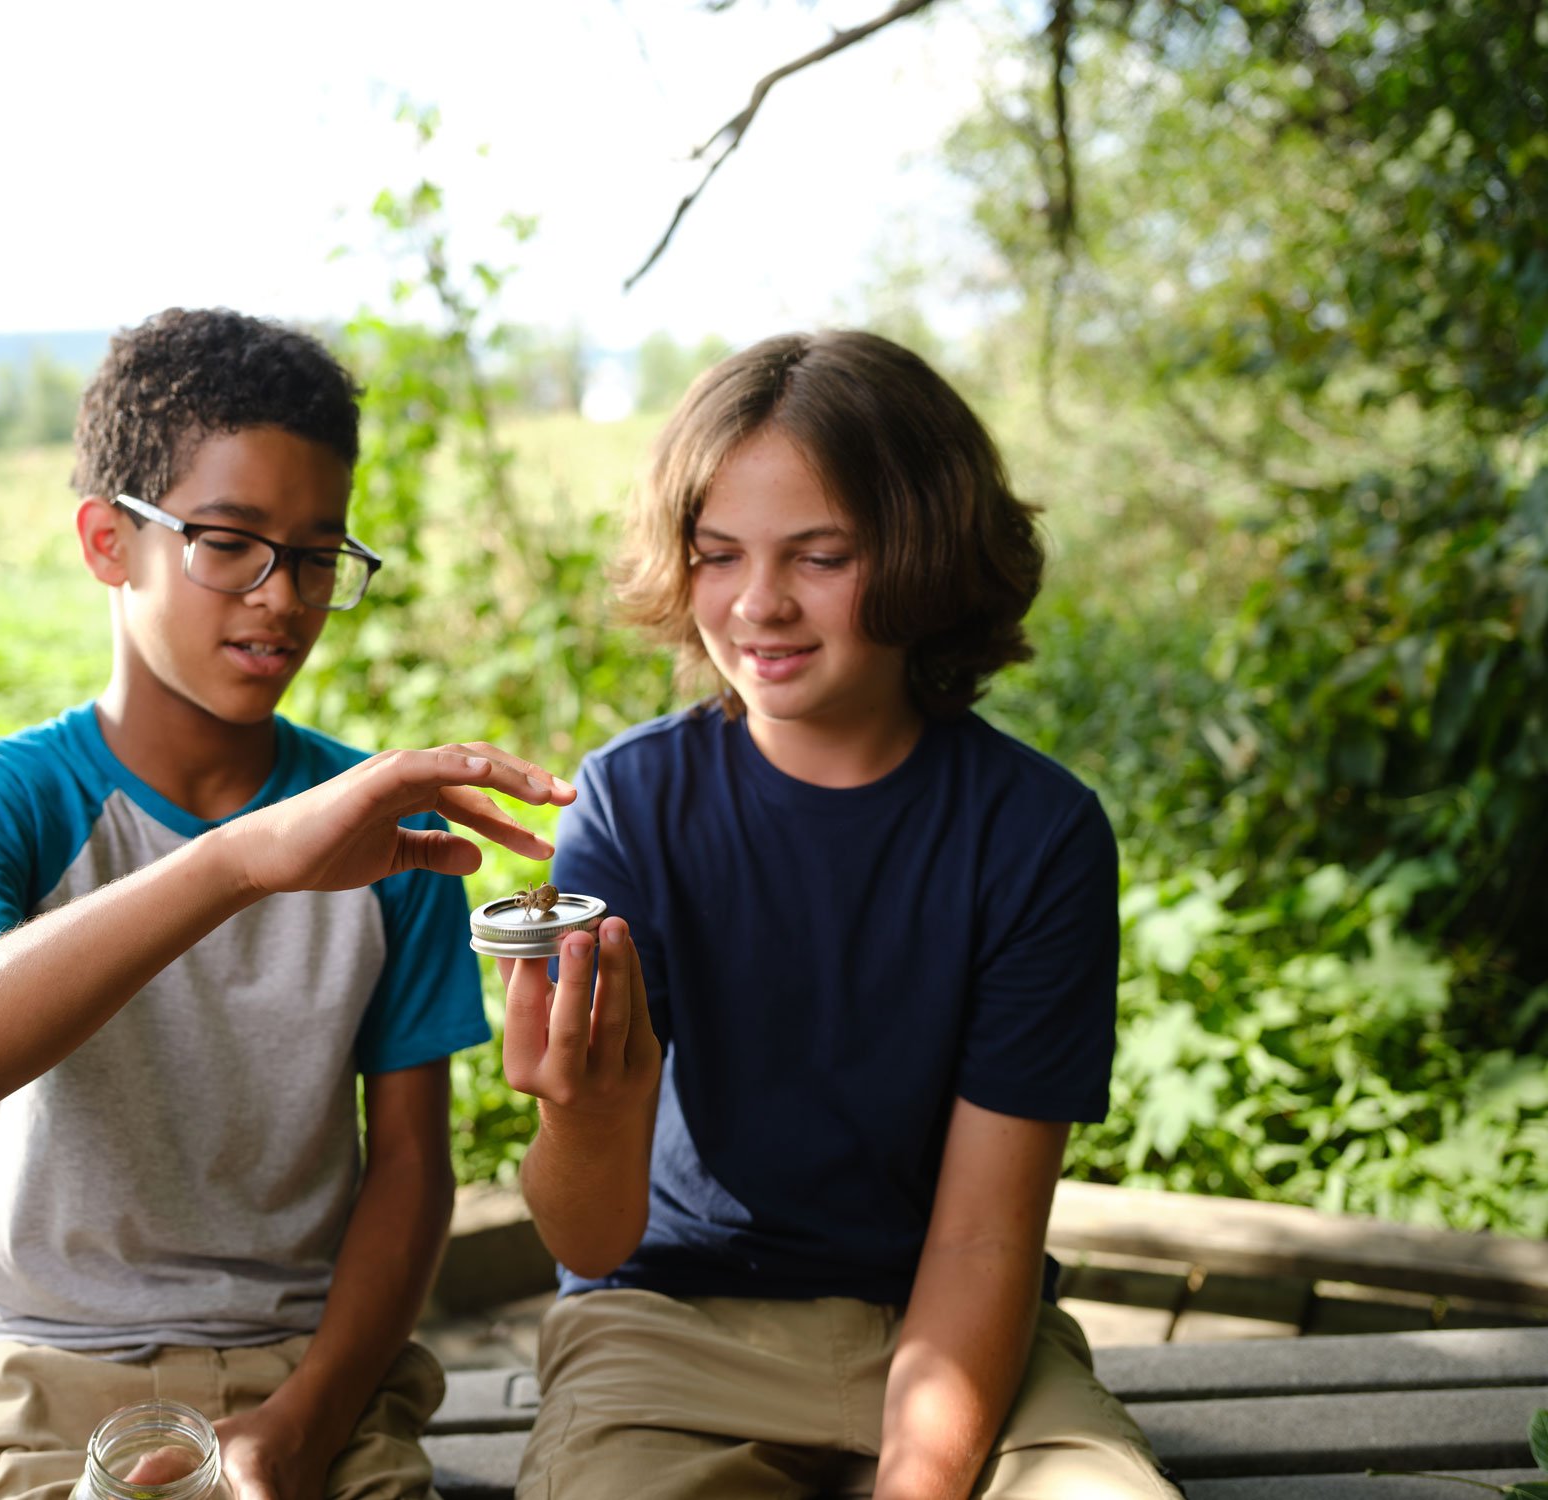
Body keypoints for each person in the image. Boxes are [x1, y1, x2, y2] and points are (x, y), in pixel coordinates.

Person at [0, 307, 572, 1500]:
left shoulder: (380, 831)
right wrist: (234, 863)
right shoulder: (13, 800)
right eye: (229, 541)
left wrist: (302, 1425)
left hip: (312, 1379)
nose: (281, 596)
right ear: (106, 540)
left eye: (315, 554)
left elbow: (410, 1169)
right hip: (42, 1377)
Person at [499, 331, 1183, 1499]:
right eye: (716, 555)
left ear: (927, 552)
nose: (756, 605)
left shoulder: (1036, 834)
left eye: (819, 556)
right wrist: (576, 1112)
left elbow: (980, 1241)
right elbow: (590, 1242)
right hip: (668, 1325)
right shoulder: (629, 804)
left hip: (961, 1326)